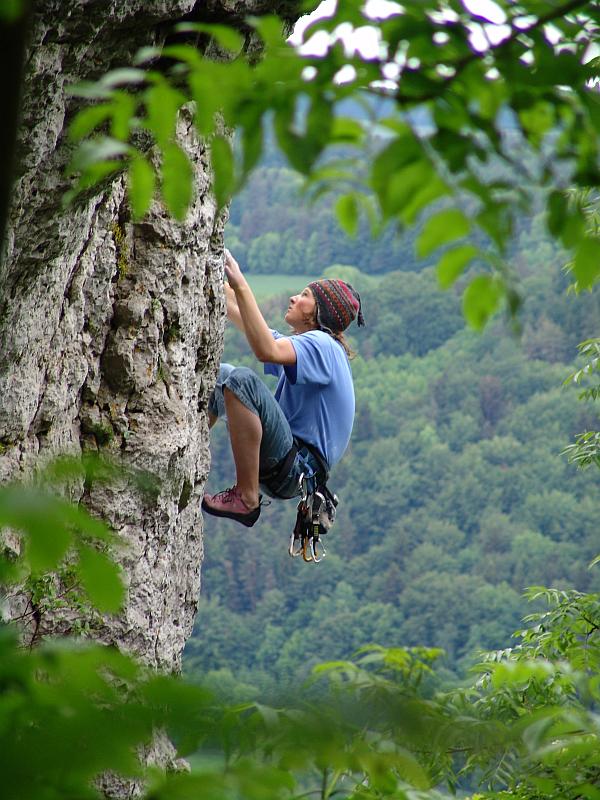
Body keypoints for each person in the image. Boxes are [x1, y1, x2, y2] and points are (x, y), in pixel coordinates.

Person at [202, 249, 364, 527]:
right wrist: (212, 271)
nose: (294, 298)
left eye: (305, 296)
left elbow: (266, 350)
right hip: (288, 464)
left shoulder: (323, 346)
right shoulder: (317, 348)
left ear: (318, 313)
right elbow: (251, 324)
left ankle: (246, 498)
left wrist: (241, 283)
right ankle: (189, 442)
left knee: (241, 381)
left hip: (294, 465)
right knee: (220, 377)